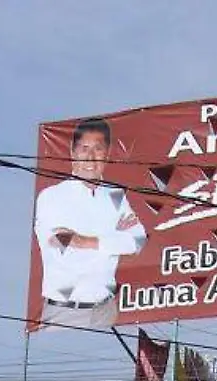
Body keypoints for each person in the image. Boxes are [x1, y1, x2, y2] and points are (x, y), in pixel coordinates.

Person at [32, 117, 146, 329]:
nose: (91, 157)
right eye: (85, 149)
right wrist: (114, 240)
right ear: (73, 153)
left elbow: (137, 240)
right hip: (64, 310)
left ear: (107, 155)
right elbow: (60, 240)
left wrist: (84, 240)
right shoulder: (53, 196)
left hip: (105, 309)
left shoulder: (114, 196)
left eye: (98, 149)